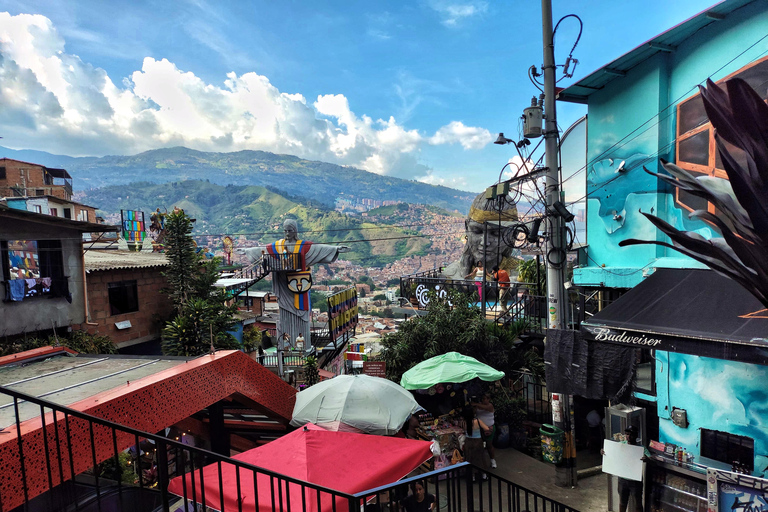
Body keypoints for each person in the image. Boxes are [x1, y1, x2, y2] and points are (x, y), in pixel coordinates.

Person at [242, 219, 349, 347]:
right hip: (282, 284)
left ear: (295, 231)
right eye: (285, 230)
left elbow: (319, 248)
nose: (287, 233)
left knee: (301, 315)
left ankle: (302, 345)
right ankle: (286, 345)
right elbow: (262, 250)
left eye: (290, 230)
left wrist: (336, 249)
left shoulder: (302, 246)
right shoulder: (278, 246)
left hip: (299, 287)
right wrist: (246, 251)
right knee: (284, 313)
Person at [441, 191, 519, 281]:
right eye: (477, 231)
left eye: (496, 233)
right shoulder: (450, 275)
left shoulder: (523, 275)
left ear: (513, 233)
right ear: (467, 228)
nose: (484, 242)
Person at [603, 425, 647, 512]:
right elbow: (611, 451)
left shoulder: (641, 448)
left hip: (635, 481)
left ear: (636, 436)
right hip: (622, 479)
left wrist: (647, 459)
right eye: (627, 434)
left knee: (638, 503)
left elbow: (652, 461)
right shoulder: (621, 445)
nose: (628, 437)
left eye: (630, 434)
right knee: (622, 502)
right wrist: (604, 451)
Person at [462, 406, 490, 481]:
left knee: (470, 458)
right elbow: (486, 428)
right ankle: (484, 475)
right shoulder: (477, 421)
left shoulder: (464, 422)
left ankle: (472, 476)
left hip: (468, 441)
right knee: (480, 458)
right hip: (478, 441)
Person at [471, 393, 497, 469]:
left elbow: (485, 407)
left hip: (489, 428)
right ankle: (481, 462)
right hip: (479, 428)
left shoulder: (490, 406)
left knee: (489, 445)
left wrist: (475, 404)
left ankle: (492, 460)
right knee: (479, 445)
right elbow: (474, 412)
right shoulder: (478, 406)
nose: (483, 400)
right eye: (482, 399)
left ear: (488, 399)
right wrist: (474, 407)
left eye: (485, 399)